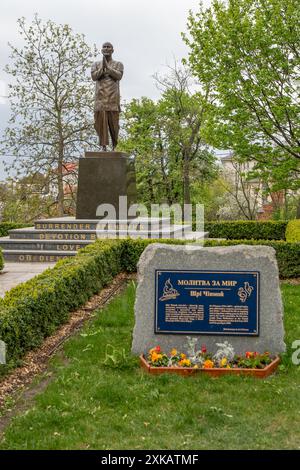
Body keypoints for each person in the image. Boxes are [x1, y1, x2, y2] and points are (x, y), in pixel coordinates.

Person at [91, 42, 124, 150]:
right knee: (99, 123)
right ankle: (103, 146)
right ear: (101, 50)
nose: (106, 48)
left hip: (112, 98)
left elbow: (118, 76)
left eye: (108, 47)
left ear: (112, 50)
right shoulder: (96, 64)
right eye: (104, 47)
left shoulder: (118, 64)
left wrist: (108, 69)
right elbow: (94, 77)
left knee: (114, 125)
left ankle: (114, 145)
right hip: (100, 98)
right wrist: (102, 68)